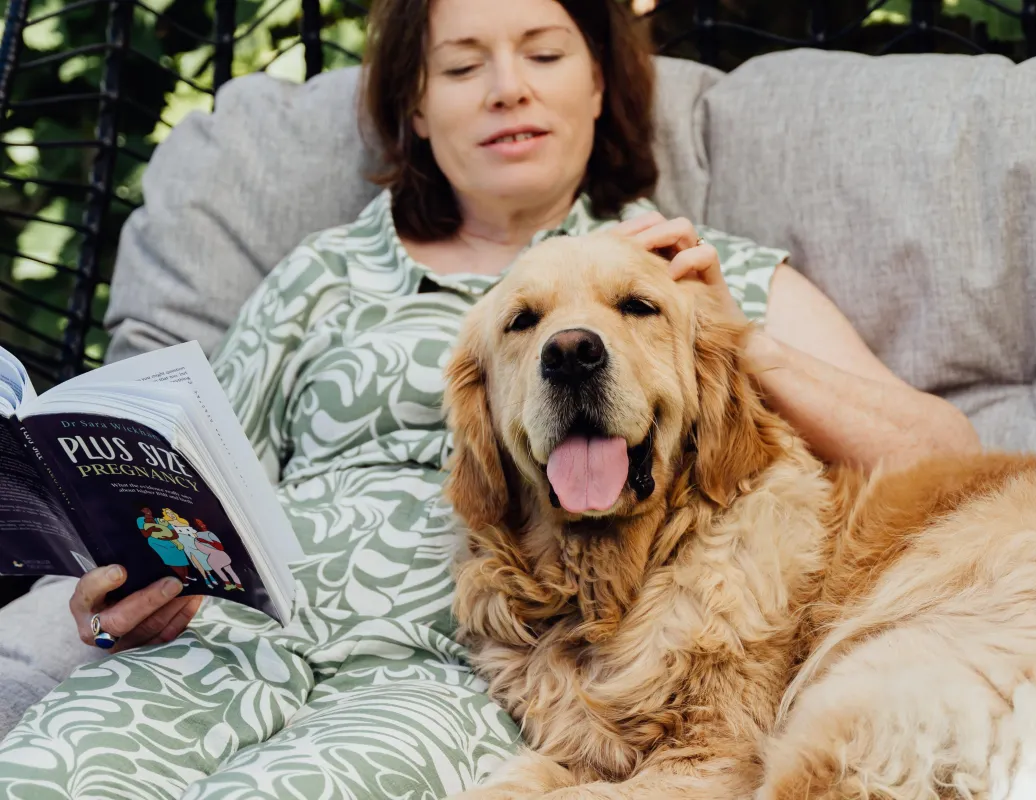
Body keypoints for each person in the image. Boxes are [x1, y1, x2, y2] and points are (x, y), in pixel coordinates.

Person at [0, 0, 980, 794]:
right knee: (42, 773)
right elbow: (198, 467)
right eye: (463, 66)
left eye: (544, 52)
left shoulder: (689, 276)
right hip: (225, 650)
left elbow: (945, 449)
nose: (507, 87)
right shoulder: (323, 276)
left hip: (453, 674)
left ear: (600, 78)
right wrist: (112, 589)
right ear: (417, 108)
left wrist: (733, 336)